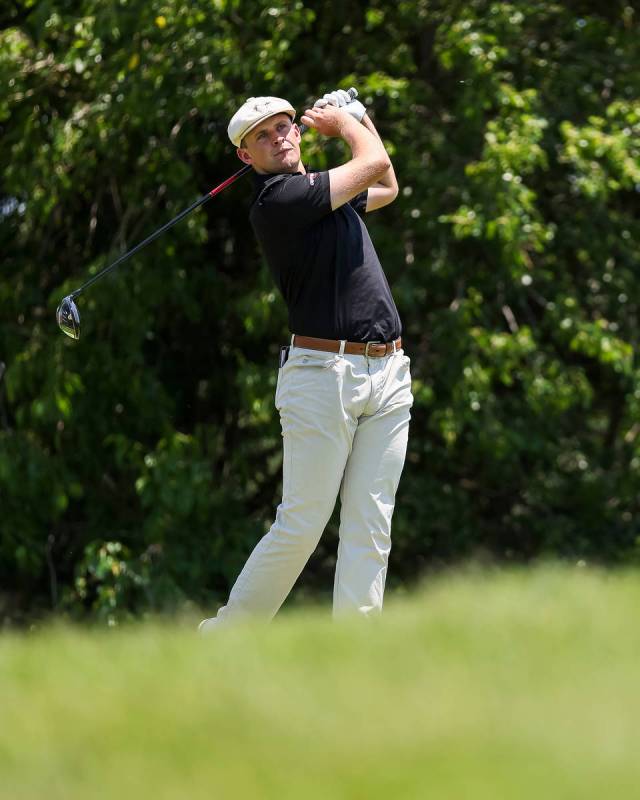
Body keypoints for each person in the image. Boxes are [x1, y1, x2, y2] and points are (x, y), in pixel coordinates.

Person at [199, 87, 413, 630]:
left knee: (371, 522)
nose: (279, 137)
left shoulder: (326, 193)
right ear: (246, 157)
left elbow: (385, 183)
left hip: (387, 372)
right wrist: (345, 122)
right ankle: (226, 637)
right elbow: (374, 161)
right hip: (324, 378)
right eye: (262, 136)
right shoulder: (279, 202)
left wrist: (357, 118)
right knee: (301, 525)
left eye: (285, 126)